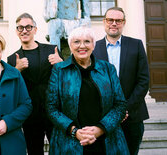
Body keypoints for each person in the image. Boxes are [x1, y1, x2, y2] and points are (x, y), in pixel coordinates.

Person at [46, 26, 129, 154]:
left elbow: (120, 104)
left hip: (107, 140)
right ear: (70, 46)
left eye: (87, 41)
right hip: (70, 142)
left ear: (93, 45)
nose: (82, 46)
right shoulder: (59, 70)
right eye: (77, 42)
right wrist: (75, 132)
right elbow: (51, 108)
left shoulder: (108, 69)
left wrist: (100, 129)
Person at [93, 7, 150, 155]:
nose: (114, 23)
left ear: (123, 23)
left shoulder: (136, 45)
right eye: (110, 20)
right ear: (104, 22)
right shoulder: (93, 48)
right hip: (102, 117)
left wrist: (125, 108)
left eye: (118, 20)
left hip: (132, 116)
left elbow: (143, 81)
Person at [7, 13, 63, 155]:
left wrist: (62, 63)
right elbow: (9, 88)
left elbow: (68, 79)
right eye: (20, 28)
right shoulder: (12, 59)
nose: (24, 30)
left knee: (59, 150)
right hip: (30, 116)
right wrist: (16, 70)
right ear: (16, 31)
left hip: (54, 112)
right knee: (34, 151)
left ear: (35, 30)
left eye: (28, 27)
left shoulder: (52, 50)